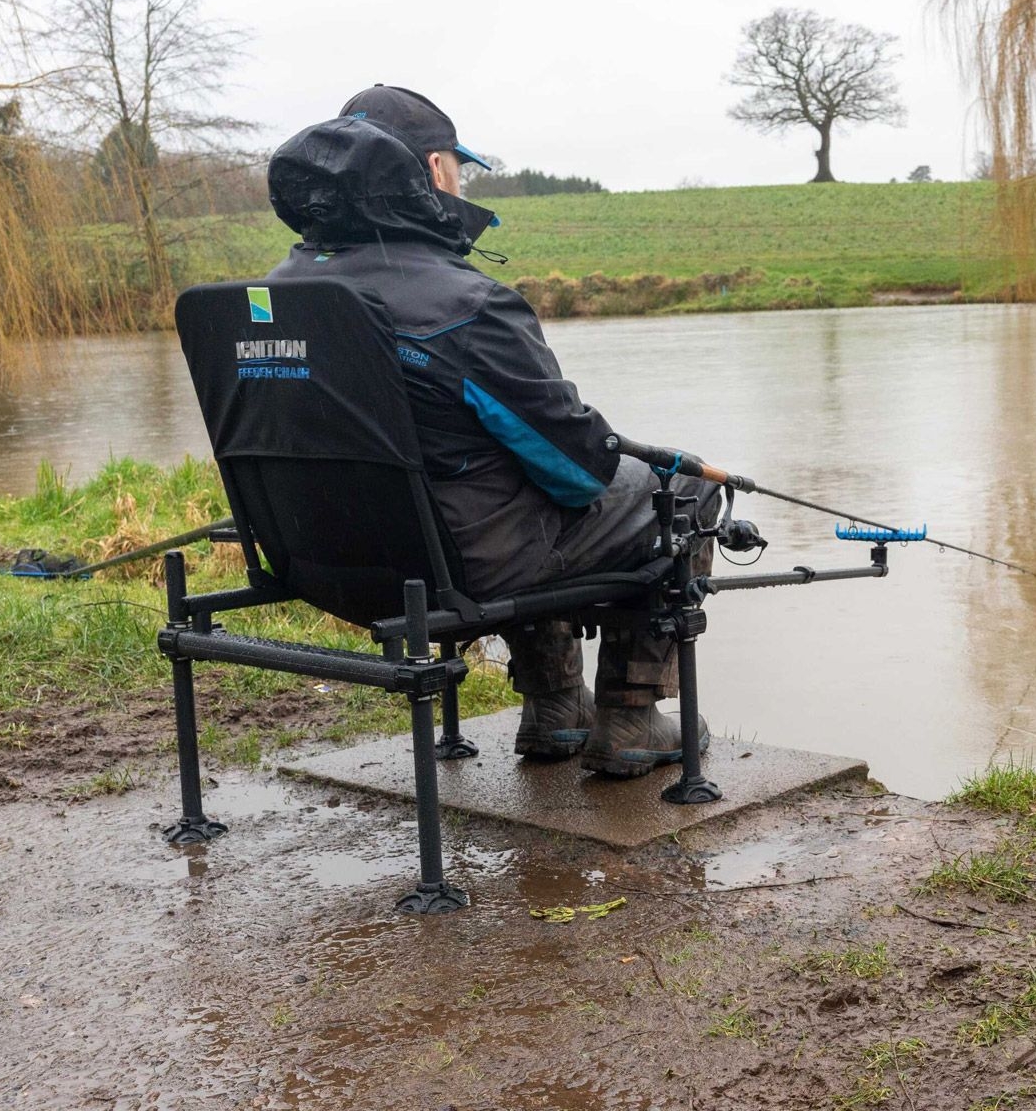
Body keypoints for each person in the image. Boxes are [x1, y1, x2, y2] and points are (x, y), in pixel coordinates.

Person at [266, 84, 720, 778]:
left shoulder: (279, 293)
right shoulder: (466, 303)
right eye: (458, 166)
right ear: (432, 170)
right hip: (451, 568)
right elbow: (579, 472)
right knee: (679, 488)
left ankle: (556, 707)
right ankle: (630, 716)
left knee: (499, 477)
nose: (462, 180)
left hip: (318, 559)